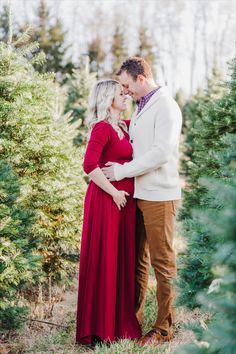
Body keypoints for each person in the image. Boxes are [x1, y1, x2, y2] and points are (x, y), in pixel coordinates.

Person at [102, 57, 182, 346]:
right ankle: (131, 322)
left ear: (140, 78)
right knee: (138, 262)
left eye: (126, 85)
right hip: (140, 195)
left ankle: (163, 328)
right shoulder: (140, 107)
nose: (125, 91)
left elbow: (161, 152)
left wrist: (122, 171)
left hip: (160, 195)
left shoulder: (166, 106)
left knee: (163, 263)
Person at [76, 79, 141, 346]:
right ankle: (99, 328)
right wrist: (114, 192)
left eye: (125, 91)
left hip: (124, 205)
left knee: (121, 260)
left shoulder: (124, 128)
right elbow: (89, 165)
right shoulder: (102, 128)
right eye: (120, 92)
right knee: (105, 259)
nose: (125, 95)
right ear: (107, 98)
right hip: (106, 203)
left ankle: (118, 324)